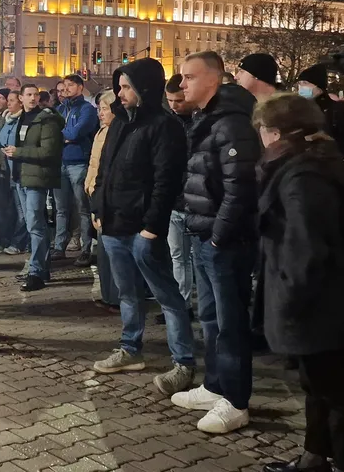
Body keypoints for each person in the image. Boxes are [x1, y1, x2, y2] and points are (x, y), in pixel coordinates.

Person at [253, 93, 344, 472]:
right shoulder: (311, 162)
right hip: (320, 297)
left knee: (337, 392)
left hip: (316, 301)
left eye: (262, 129)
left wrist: (289, 298)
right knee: (318, 385)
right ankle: (315, 457)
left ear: (274, 133)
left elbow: (307, 246)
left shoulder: (303, 174)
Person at [89, 58, 197, 398]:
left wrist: (152, 228)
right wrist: (98, 210)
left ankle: (183, 362)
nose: (120, 94)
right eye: (119, 87)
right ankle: (130, 348)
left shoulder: (165, 126)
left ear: (144, 89)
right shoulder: (120, 122)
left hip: (142, 230)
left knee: (167, 296)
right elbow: (105, 170)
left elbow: (166, 181)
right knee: (127, 294)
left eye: (126, 87)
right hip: (113, 224)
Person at [173, 51, 261, 435]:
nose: (182, 85)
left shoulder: (232, 123)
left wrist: (220, 237)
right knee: (210, 318)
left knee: (231, 324)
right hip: (205, 233)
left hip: (225, 240)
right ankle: (215, 385)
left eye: (189, 77)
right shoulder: (206, 119)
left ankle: (237, 401)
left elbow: (240, 187)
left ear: (213, 79)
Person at [4, 83, 63, 292]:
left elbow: (49, 151)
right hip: (21, 176)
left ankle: (36, 271)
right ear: (21, 97)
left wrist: (18, 153)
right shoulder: (21, 118)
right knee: (33, 224)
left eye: (35, 94)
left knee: (35, 225)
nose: (32, 98)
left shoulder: (46, 119)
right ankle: (40, 268)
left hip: (36, 179)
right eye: (28, 95)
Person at [54, 74, 99, 267]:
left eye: (71, 85)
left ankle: (86, 248)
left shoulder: (87, 109)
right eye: (64, 86)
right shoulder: (60, 109)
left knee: (82, 208)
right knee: (61, 208)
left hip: (78, 163)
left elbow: (75, 132)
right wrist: (64, 135)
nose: (66, 89)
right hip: (60, 162)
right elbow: (53, 134)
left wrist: (63, 134)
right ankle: (59, 246)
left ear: (80, 87)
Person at [84, 90, 120, 312]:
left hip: (105, 198)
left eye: (104, 109)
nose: (100, 114)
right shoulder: (102, 132)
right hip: (95, 194)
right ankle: (108, 294)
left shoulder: (115, 133)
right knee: (103, 252)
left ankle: (114, 296)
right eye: (99, 109)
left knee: (111, 252)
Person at [164, 74, 195, 306]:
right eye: (170, 101)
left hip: (195, 202)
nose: (174, 106)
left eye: (179, 101)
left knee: (195, 259)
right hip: (174, 201)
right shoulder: (167, 122)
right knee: (178, 257)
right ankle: (181, 304)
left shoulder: (200, 122)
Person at [0, 90, 28, 256]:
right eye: (9, 100)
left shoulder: (23, 121)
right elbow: (1, 142)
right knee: (9, 210)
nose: (9, 103)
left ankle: (20, 242)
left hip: (19, 172)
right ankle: (9, 239)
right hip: (6, 172)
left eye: (12, 100)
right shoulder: (7, 120)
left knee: (22, 211)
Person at [295, 64, 344, 158]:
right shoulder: (299, 110)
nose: (301, 87)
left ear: (319, 87)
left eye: (305, 83)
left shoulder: (338, 109)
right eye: (299, 84)